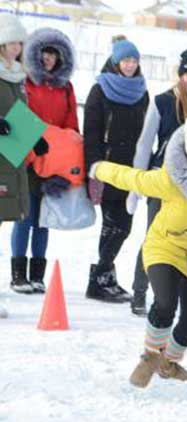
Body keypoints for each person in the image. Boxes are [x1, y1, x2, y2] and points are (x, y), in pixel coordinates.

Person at [91, 113, 187, 387]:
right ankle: (149, 357)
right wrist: (99, 168)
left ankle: (168, 364)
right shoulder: (171, 179)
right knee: (165, 303)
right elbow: (132, 178)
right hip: (166, 248)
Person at [130, 48, 187, 316]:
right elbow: (145, 144)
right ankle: (139, 291)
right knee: (155, 237)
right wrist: (136, 185)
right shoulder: (162, 102)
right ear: (180, 75)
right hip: (164, 179)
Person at [9, 27, 77, 294]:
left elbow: (71, 126)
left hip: (54, 163)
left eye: (54, 53)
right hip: (26, 158)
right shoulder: (24, 81)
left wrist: (67, 161)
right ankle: (18, 275)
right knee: (24, 217)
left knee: (43, 219)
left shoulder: (66, 88)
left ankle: (37, 275)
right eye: (44, 53)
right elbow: (16, 115)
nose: (49, 58)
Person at [84, 37, 149, 303]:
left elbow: (146, 132)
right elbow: (91, 131)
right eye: (125, 60)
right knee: (114, 224)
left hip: (132, 168)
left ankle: (102, 277)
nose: (130, 65)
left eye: (134, 60)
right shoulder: (100, 90)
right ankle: (100, 278)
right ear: (115, 62)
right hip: (107, 166)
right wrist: (95, 165)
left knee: (123, 225)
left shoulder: (142, 92)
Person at [0, 13, 33, 316]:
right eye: (11, 42)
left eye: (19, 43)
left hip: (11, 158)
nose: (16, 48)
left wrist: (37, 139)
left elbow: (20, 116)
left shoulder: (18, 75)